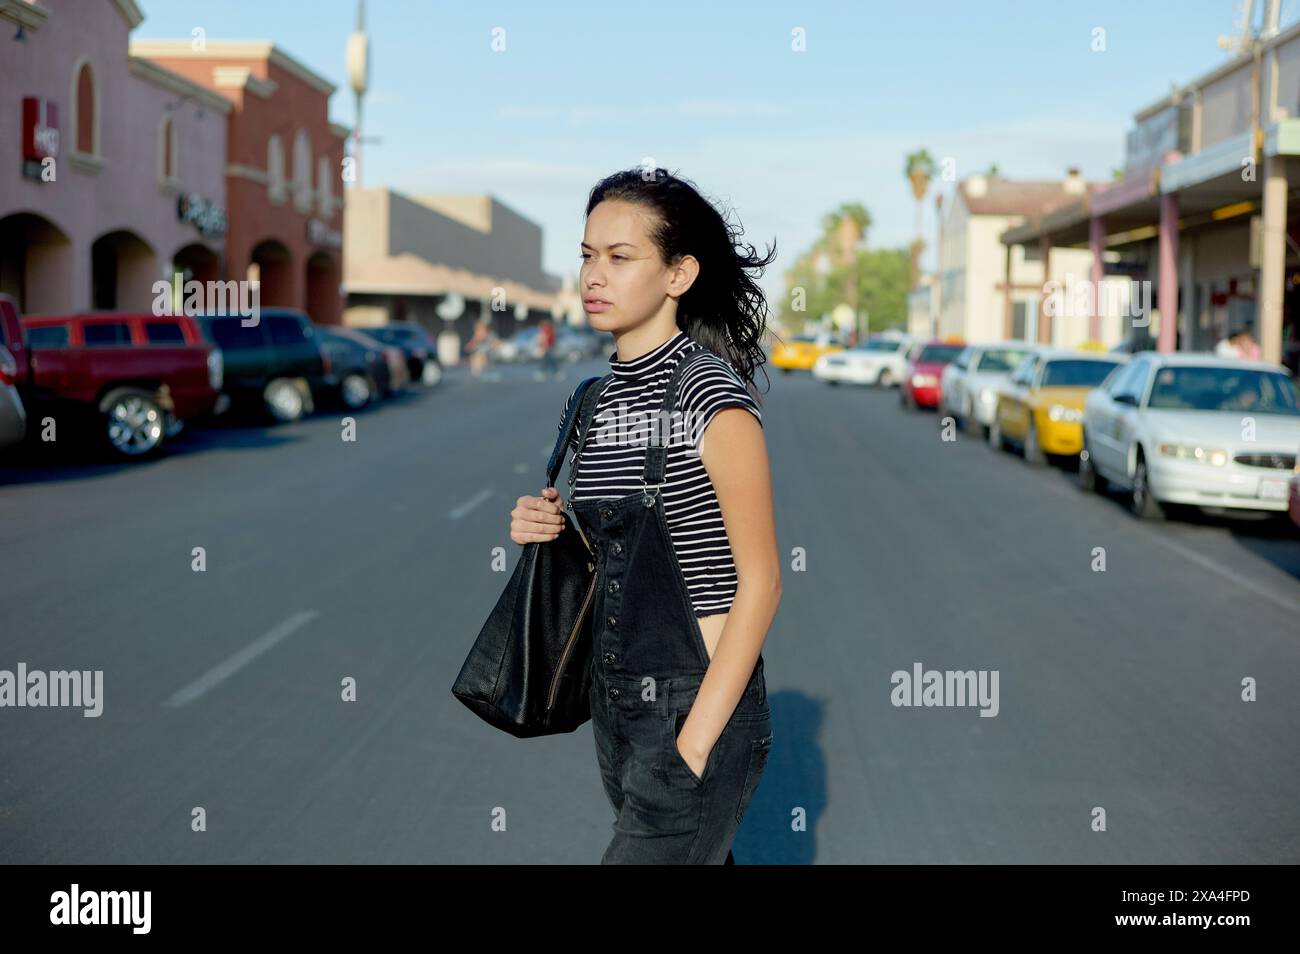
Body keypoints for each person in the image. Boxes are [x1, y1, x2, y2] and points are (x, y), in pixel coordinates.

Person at [508, 167, 779, 864]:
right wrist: (552, 531)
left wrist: (694, 742)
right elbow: (617, 561)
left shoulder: (709, 395)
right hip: (616, 698)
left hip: (693, 704)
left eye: (621, 258)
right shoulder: (592, 399)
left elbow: (762, 580)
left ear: (679, 274)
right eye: (588, 255)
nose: (595, 275)